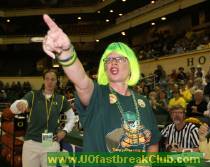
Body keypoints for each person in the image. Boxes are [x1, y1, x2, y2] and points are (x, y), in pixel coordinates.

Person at [42, 14, 160, 154]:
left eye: (120, 58)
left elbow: (153, 144)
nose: (113, 62)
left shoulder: (143, 102)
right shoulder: (97, 94)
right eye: (108, 60)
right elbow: (81, 81)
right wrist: (66, 53)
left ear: (131, 66)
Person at [10, 69, 75, 167]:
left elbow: (72, 117)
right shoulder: (33, 95)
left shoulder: (61, 99)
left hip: (50, 143)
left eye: (53, 79)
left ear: (56, 81)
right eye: (47, 79)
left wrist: (65, 131)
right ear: (44, 80)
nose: (50, 82)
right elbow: (14, 109)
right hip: (31, 143)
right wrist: (19, 104)